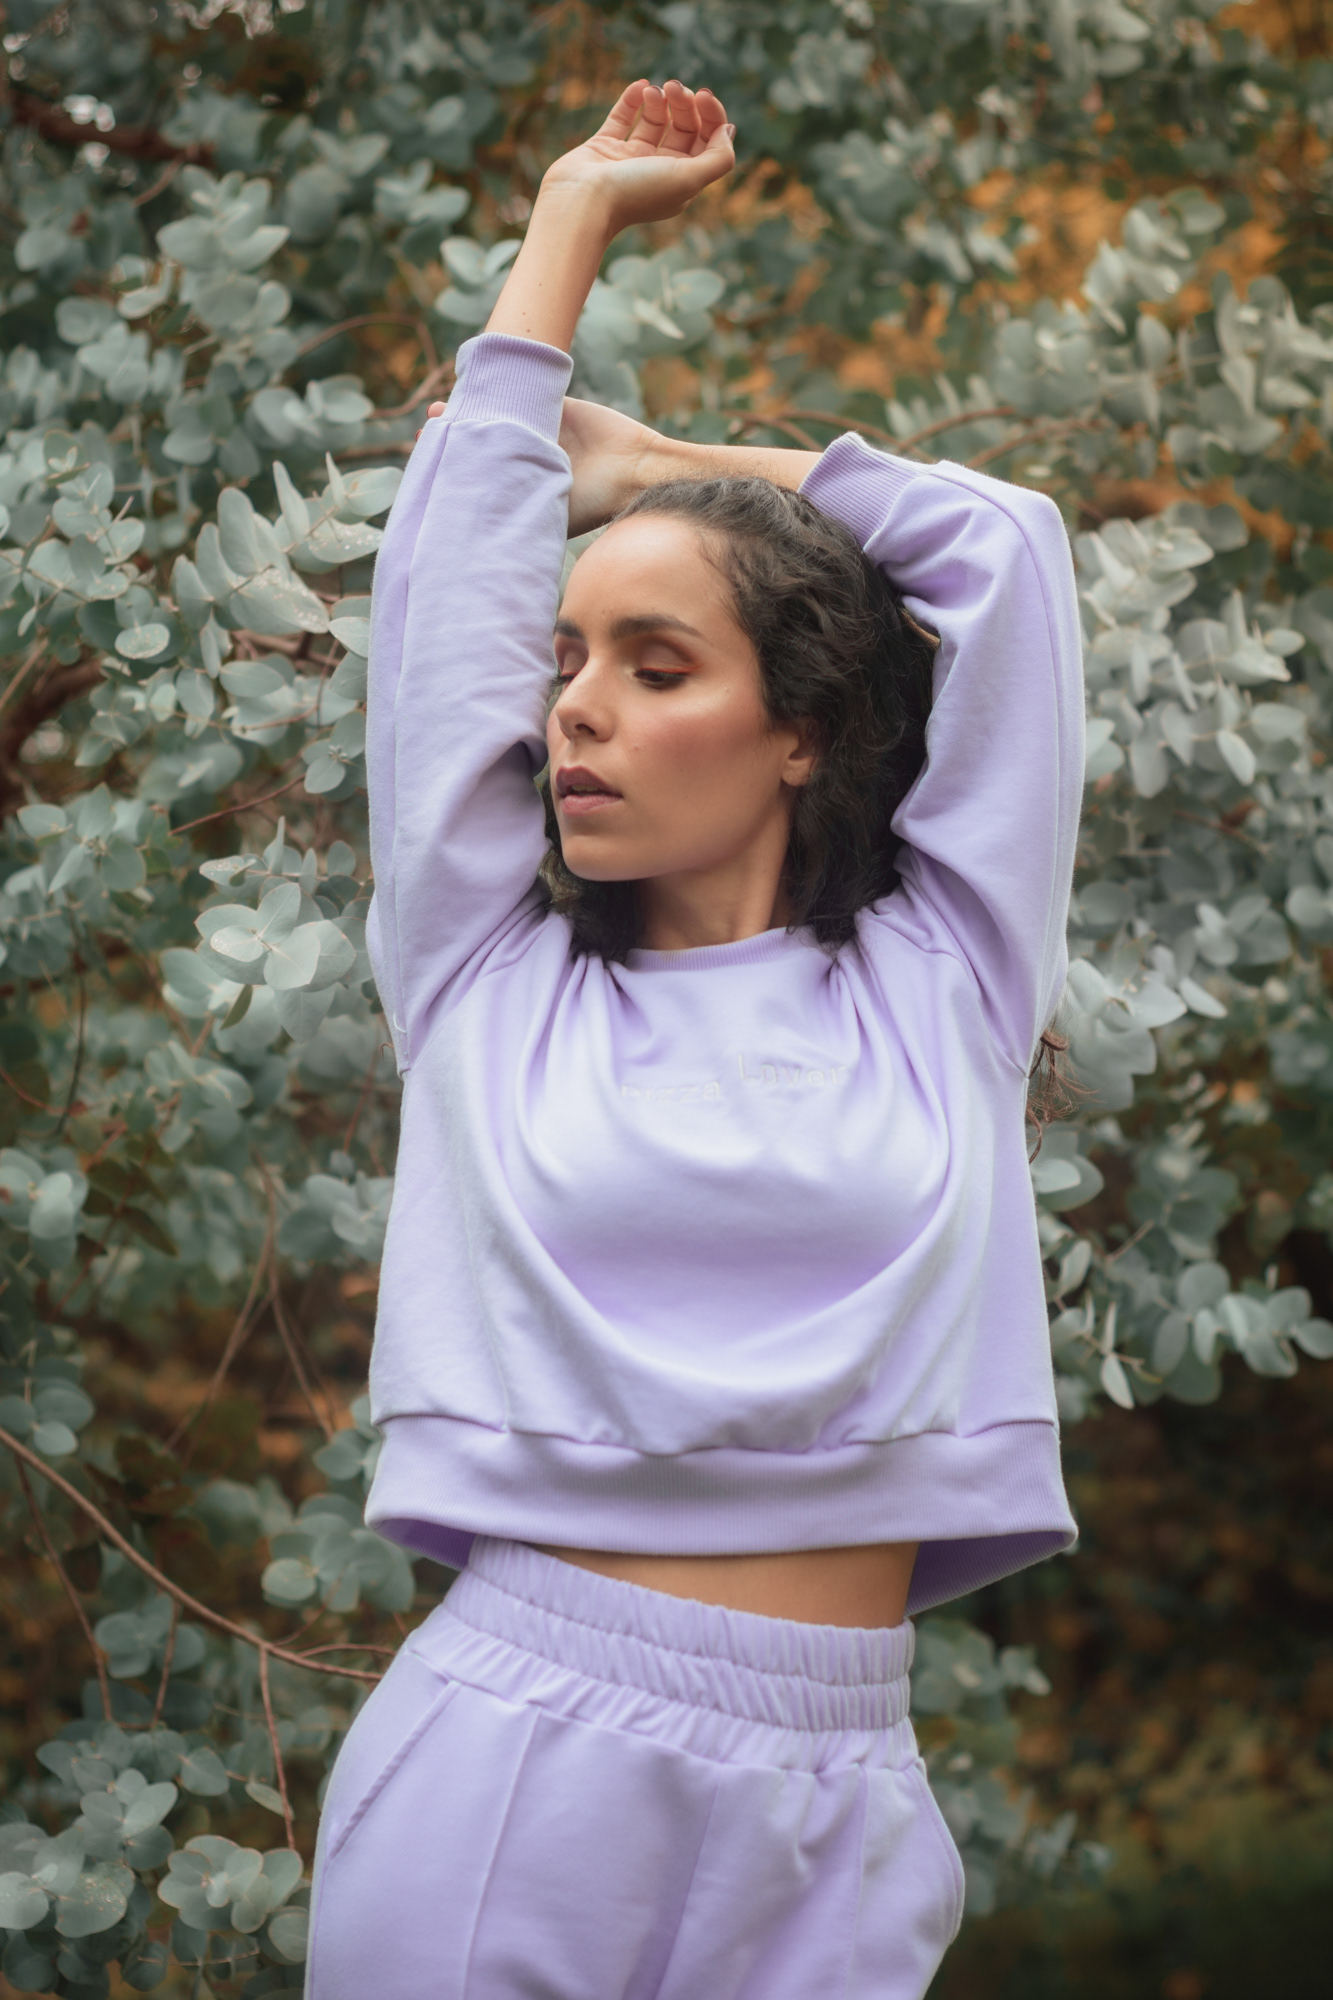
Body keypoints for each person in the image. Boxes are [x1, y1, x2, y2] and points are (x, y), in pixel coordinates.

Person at [304, 77, 1083, 2000]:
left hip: (843, 1777)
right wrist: (565, 224)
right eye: (564, 663)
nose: (576, 709)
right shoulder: (486, 981)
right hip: (521, 1745)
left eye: (656, 668)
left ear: (799, 727)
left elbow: (1005, 552)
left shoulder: (943, 982)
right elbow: (444, 606)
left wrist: (665, 468)